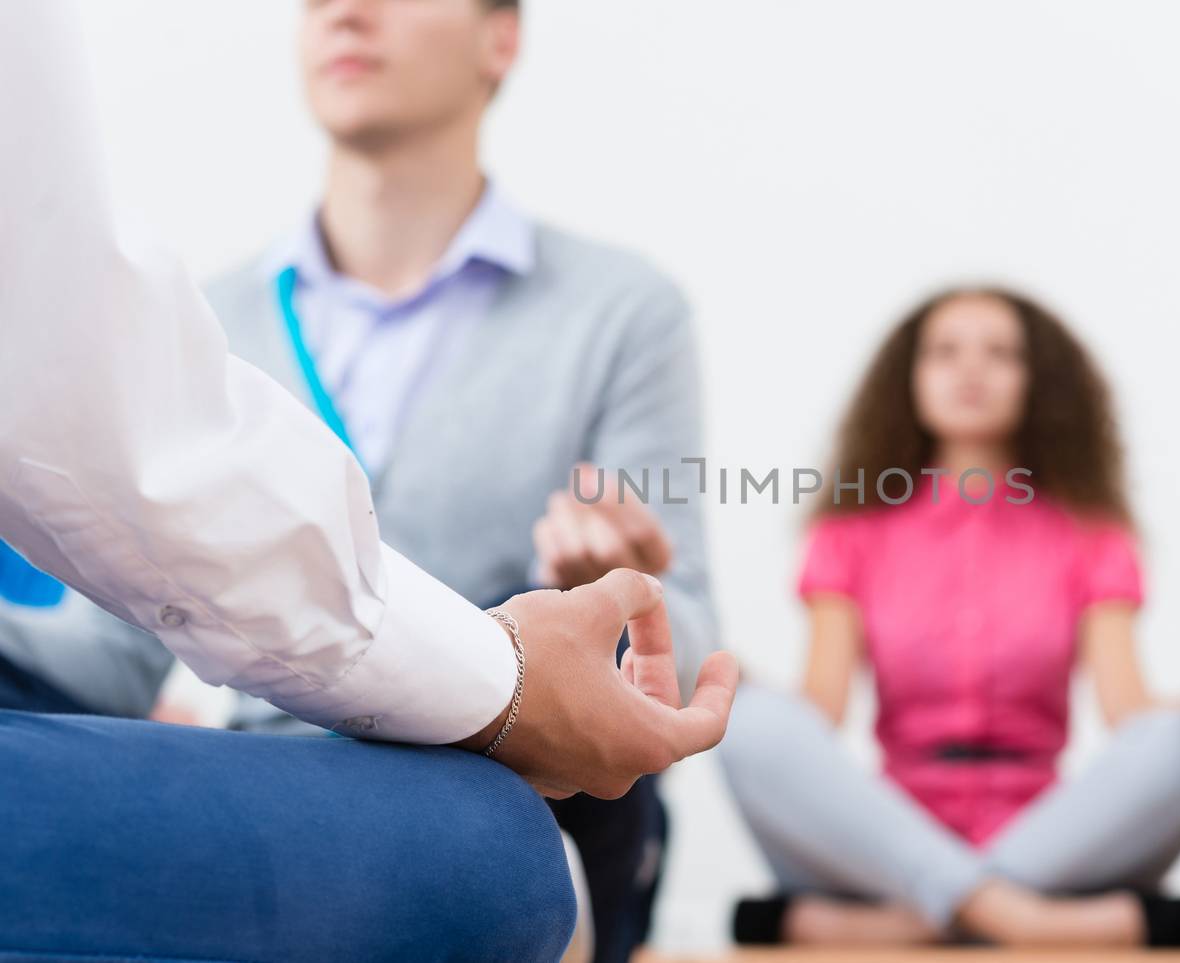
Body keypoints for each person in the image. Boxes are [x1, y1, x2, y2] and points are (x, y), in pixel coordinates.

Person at [0, 4, 735, 961]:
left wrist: (622, 621)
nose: (344, 12)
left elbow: (688, 630)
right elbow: (116, 641)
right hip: (277, 770)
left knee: (497, 844)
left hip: (502, 770)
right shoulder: (205, 320)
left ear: (501, 37)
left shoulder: (622, 313)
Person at [717, 287, 1180, 947]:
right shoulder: (850, 532)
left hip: (1047, 839)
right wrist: (719, 672)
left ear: (1036, 382)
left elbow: (1132, 715)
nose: (971, 370)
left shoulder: (1091, 533)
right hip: (890, 837)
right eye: (945, 351)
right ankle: (1015, 922)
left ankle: (913, 925)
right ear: (910, 379)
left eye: (1000, 353)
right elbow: (816, 711)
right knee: (752, 727)